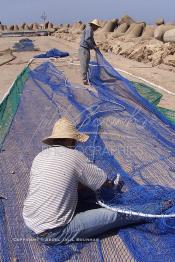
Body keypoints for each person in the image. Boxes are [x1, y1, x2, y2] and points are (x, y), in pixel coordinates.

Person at [23, 117, 174, 245]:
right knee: (116, 215)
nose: (76, 144)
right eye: (75, 141)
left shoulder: (40, 157)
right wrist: (112, 186)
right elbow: (104, 183)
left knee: (84, 192)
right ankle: (162, 205)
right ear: (70, 140)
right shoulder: (74, 156)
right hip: (54, 231)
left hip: (30, 221)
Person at [79, 19, 101, 85]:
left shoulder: (90, 30)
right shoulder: (89, 29)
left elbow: (92, 39)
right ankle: (85, 80)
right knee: (84, 64)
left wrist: (95, 46)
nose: (97, 29)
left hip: (86, 49)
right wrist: (93, 47)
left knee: (86, 63)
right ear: (94, 25)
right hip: (84, 49)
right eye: (97, 27)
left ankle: (86, 78)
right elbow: (87, 39)